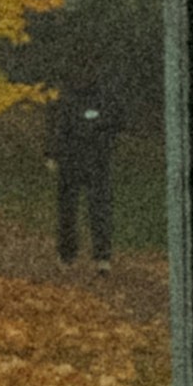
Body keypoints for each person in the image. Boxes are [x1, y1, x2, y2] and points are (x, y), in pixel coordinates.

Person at [49, 96, 124, 263]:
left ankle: (101, 255)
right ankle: (67, 254)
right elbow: (59, 128)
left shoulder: (105, 98)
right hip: (73, 162)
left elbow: (115, 124)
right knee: (69, 210)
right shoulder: (67, 100)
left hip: (96, 162)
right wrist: (54, 154)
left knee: (98, 209)